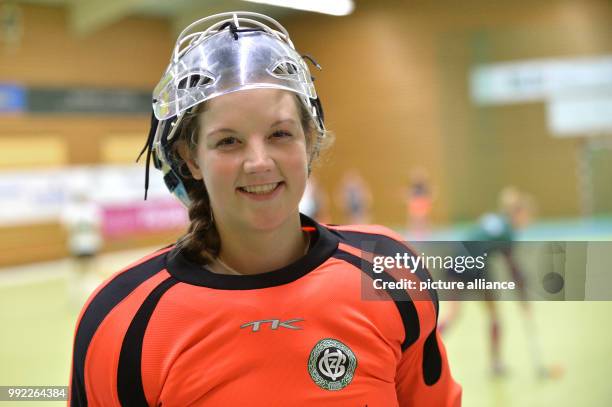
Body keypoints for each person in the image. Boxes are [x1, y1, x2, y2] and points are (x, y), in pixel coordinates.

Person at [69, 12, 461, 406]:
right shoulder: (124, 320)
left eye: (279, 134)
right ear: (190, 158)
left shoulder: (386, 270)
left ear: (309, 139)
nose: (259, 162)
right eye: (228, 141)